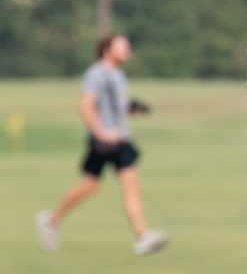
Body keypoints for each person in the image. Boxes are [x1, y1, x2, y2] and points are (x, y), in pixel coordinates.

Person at [35, 32, 169, 255]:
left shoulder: (117, 74)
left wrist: (133, 108)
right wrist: (101, 132)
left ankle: (142, 235)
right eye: (122, 46)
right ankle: (51, 219)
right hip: (104, 142)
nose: (127, 50)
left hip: (120, 140)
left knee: (114, 185)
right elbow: (86, 106)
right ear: (107, 49)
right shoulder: (96, 74)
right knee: (92, 185)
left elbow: (116, 106)